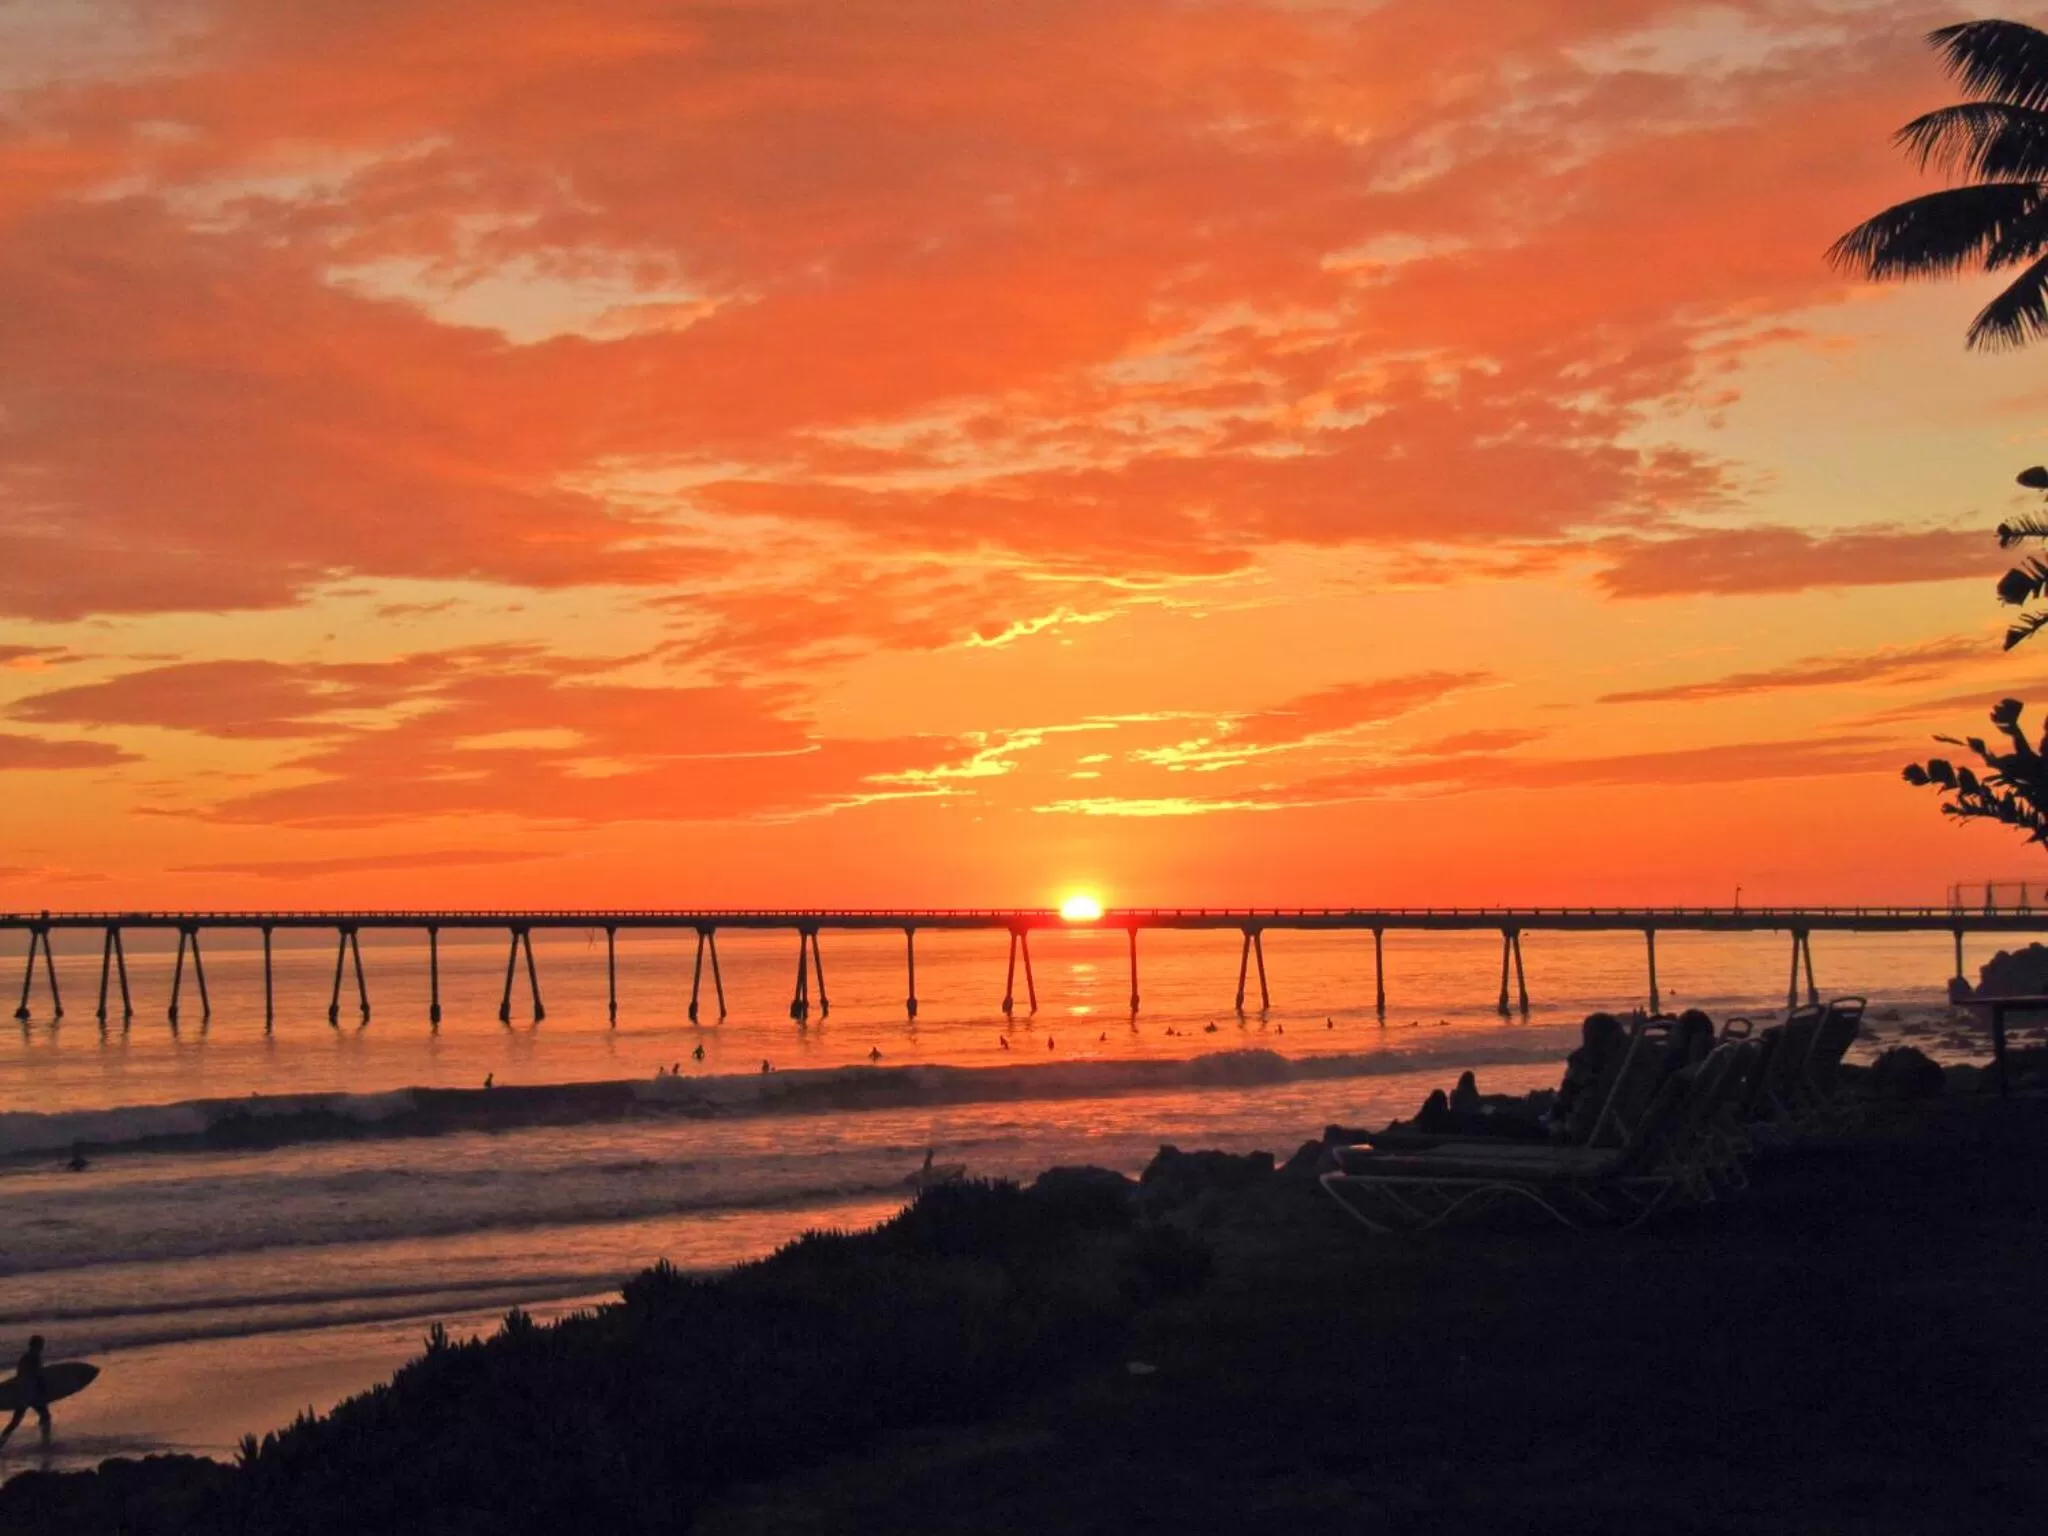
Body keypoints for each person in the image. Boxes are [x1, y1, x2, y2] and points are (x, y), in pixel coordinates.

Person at [0, 1335, 50, 1450]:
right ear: (37, 1345)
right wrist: (43, 1389)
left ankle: (1, 1444)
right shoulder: (35, 1358)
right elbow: (38, 1376)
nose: (42, 1347)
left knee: (15, 1422)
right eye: (41, 1344)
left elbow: (20, 1376)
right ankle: (45, 1442)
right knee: (45, 1416)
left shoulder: (24, 1358)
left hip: (23, 1393)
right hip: (31, 1394)